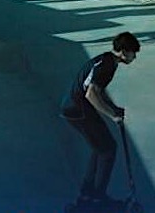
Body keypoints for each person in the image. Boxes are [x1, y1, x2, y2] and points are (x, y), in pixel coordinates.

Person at [60, 32, 141, 208]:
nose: (134, 57)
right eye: (133, 52)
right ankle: (97, 198)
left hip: (73, 108)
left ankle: (87, 195)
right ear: (123, 51)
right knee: (108, 149)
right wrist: (112, 115)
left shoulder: (106, 60)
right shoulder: (107, 65)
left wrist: (113, 107)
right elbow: (91, 94)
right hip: (79, 109)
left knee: (100, 149)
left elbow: (99, 91)